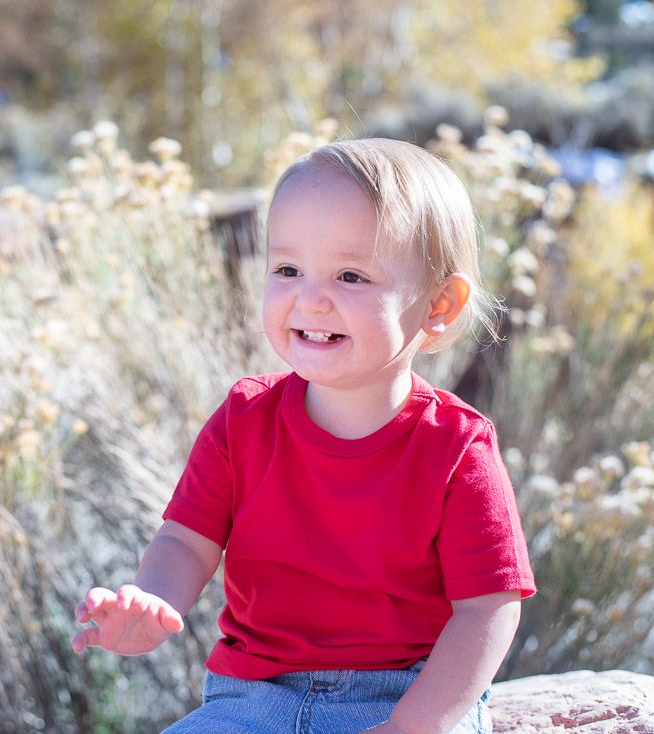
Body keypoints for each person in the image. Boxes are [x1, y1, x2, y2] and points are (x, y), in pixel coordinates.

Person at [71, 138, 536, 734]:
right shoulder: (244, 419)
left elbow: (488, 609)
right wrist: (154, 598)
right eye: (287, 269)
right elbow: (186, 540)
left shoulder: (456, 447)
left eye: (351, 275)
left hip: (407, 696)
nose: (310, 299)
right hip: (252, 698)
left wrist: (412, 726)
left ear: (439, 303)